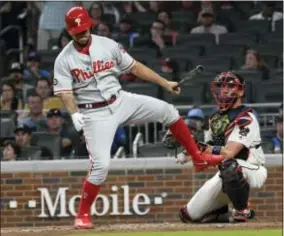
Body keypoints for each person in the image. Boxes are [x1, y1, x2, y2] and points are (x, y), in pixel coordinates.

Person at [54, 6, 224, 229]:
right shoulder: (64, 59)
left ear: (90, 25)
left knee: (168, 111)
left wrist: (165, 83)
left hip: (120, 100)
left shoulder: (107, 45)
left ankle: (197, 158)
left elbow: (134, 67)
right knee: (101, 166)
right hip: (94, 113)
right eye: (77, 32)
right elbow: (65, 92)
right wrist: (74, 113)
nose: (82, 34)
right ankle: (83, 214)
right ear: (69, 32)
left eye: (84, 29)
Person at [174, 71, 267, 223]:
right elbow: (213, 147)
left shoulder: (246, 117)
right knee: (188, 215)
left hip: (251, 169)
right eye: (221, 86)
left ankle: (242, 210)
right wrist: (189, 149)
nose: (224, 90)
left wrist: (199, 146)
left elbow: (230, 152)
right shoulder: (216, 118)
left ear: (240, 91)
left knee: (231, 166)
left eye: (230, 86)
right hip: (226, 174)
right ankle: (220, 212)